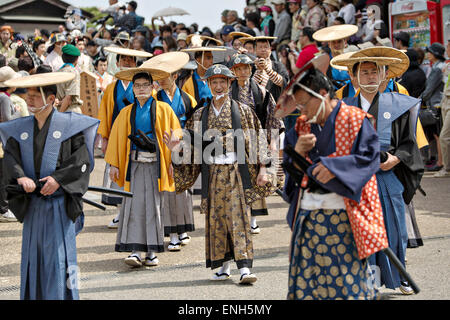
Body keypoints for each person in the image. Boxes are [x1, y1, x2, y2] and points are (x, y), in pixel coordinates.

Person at [277, 61, 387, 300]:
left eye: (305, 103)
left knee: (347, 283)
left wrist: (334, 167)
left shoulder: (356, 119)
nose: (302, 111)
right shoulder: (301, 125)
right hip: (309, 216)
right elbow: (291, 169)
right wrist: (296, 151)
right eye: (299, 105)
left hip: (345, 218)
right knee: (307, 283)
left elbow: (369, 158)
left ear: (323, 94)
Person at [164, 64, 273, 284]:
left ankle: (244, 268)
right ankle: (223, 266)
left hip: (235, 172)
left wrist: (263, 168)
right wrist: (176, 150)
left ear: (230, 83)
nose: (219, 86)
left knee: (239, 218)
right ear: (208, 84)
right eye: (214, 82)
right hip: (212, 172)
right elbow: (192, 147)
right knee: (217, 221)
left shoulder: (242, 110)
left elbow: (258, 139)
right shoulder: (200, 114)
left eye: (223, 81)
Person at [0, 71, 99, 300]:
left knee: (59, 259)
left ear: (52, 98)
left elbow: (81, 160)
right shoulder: (21, 128)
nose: (30, 99)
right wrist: (20, 176)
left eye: (36, 95)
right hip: (33, 205)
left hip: (59, 205)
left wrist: (58, 180)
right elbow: (10, 158)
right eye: (29, 94)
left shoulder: (70, 126)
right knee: (33, 258)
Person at [335, 47, 424, 295]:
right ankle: (367, 279)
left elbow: (409, 144)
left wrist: (396, 158)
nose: (370, 77)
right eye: (364, 72)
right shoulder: (341, 107)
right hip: (357, 181)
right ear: (353, 78)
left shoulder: (399, 105)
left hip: (387, 178)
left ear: (385, 75)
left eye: (376, 71)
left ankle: (400, 275)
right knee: (359, 234)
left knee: (395, 230)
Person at [104, 66, 180, 267]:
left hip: (156, 164)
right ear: (134, 89)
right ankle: (136, 250)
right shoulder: (126, 112)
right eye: (137, 86)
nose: (141, 89)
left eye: (145, 85)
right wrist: (114, 164)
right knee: (134, 207)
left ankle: (152, 252)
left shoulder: (164, 109)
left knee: (154, 207)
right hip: (134, 164)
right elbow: (116, 138)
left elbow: (176, 134)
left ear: (152, 86)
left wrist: (174, 160)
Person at [97, 46, 152, 228]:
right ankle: (120, 213)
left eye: (131, 60)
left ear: (135, 64)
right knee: (117, 175)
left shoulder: (143, 87)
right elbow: (105, 113)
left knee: (137, 176)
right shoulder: (112, 88)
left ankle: (137, 214)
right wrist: (104, 138)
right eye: (124, 60)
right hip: (117, 136)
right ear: (118, 62)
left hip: (139, 138)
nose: (127, 63)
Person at [147, 52, 197, 250]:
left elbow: (194, 124)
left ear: (175, 76)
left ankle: (182, 229)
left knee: (183, 189)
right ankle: (172, 233)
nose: (160, 80)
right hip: (161, 146)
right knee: (166, 190)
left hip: (182, 145)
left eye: (164, 76)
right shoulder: (154, 98)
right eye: (159, 76)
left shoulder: (188, 99)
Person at [229, 54, 283, 234]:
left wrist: (272, 143)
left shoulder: (261, 91)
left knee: (256, 180)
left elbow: (273, 118)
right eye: (239, 69)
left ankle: (253, 219)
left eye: (246, 68)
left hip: (256, 139)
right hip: (234, 140)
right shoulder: (229, 93)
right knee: (236, 180)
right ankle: (239, 217)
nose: (243, 72)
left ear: (251, 70)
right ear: (234, 71)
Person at [421, 43, 446, 172]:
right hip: (439, 102)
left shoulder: (437, 69)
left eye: (430, 52)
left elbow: (429, 89)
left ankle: (440, 162)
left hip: (435, 104)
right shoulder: (440, 66)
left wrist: (420, 99)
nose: (428, 54)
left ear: (435, 54)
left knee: (438, 134)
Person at [313, 24, 358, 89]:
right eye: (333, 42)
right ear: (329, 44)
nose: (336, 45)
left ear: (345, 43)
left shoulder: (351, 59)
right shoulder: (324, 60)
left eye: (339, 42)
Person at [434, 39, 450, 178]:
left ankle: (447, 167)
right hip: (445, 100)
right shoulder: (447, 65)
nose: (447, 49)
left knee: (444, 136)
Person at [55, 44, 83, 113]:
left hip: (59, 108)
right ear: (76, 59)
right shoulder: (74, 73)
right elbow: (68, 98)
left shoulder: (58, 72)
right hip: (71, 110)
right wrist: (60, 114)